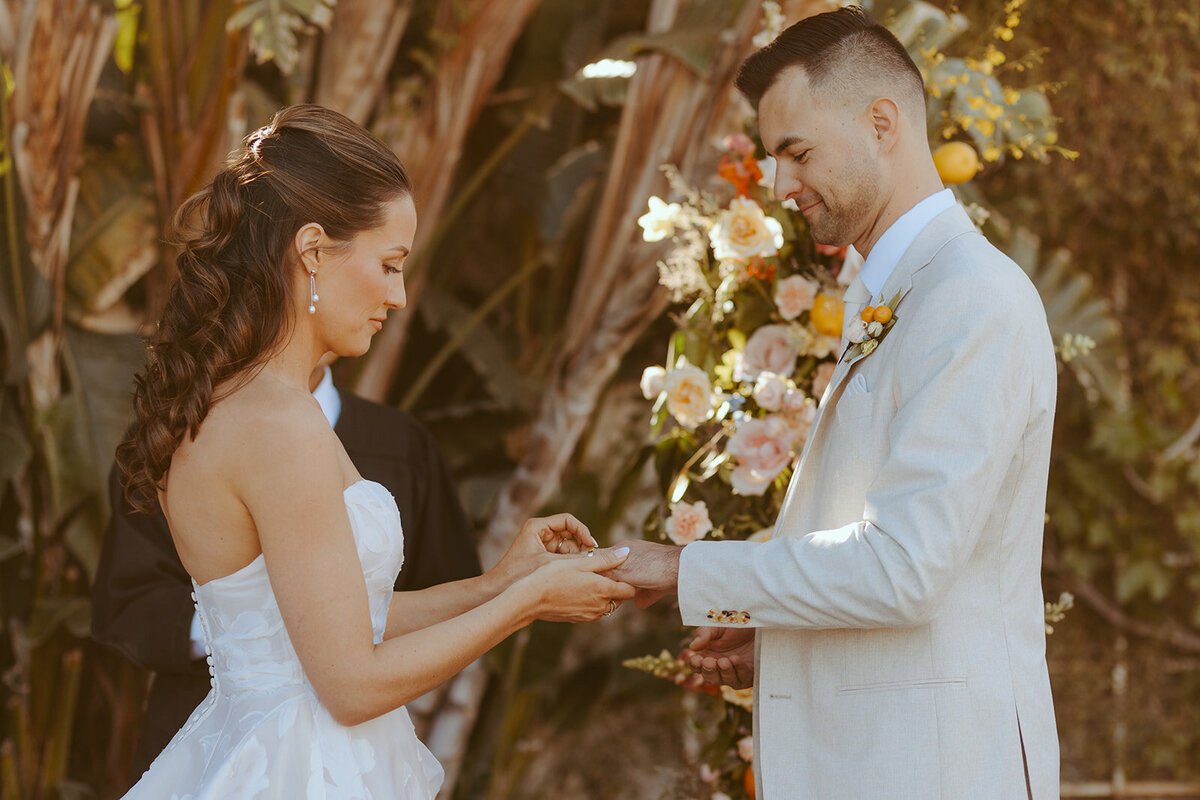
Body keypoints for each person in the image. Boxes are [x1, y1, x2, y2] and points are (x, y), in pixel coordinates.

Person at [112, 104, 635, 799]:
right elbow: (352, 684)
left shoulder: (245, 405)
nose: (399, 295)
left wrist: (497, 583)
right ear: (313, 251)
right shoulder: (281, 426)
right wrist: (529, 603)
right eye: (389, 265)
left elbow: (327, 619)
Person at [611, 7, 1059, 799]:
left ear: (882, 122)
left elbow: (904, 568)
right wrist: (784, 640)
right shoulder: (891, 290)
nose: (781, 184)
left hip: (943, 771)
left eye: (798, 152)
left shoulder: (971, 299)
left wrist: (683, 565)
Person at [92, 354, 484, 778]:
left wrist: (507, 589)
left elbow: (445, 586)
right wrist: (251, 627)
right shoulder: (177, 436)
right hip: (212, 748)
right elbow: (128, 599)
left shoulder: (400, 442)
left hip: (358, 756)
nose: (394, 299)